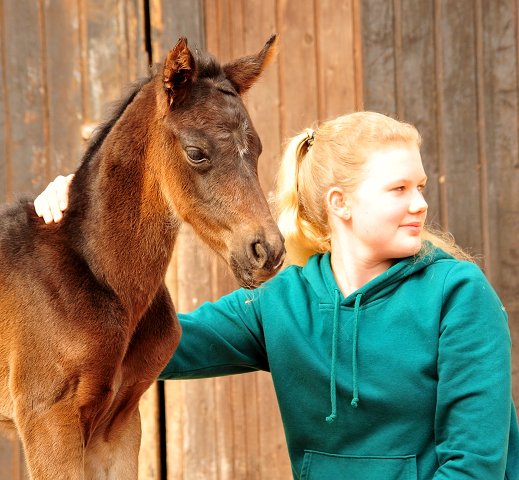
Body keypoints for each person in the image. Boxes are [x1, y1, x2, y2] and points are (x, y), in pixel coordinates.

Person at [35, 111, 519, 479]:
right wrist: (91, 219)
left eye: (420, 186)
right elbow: (148, 343)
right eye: (399, 189)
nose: (421, 203)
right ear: (340, 203)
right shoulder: (283, 303)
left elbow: (473, 466)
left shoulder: (458, 295)